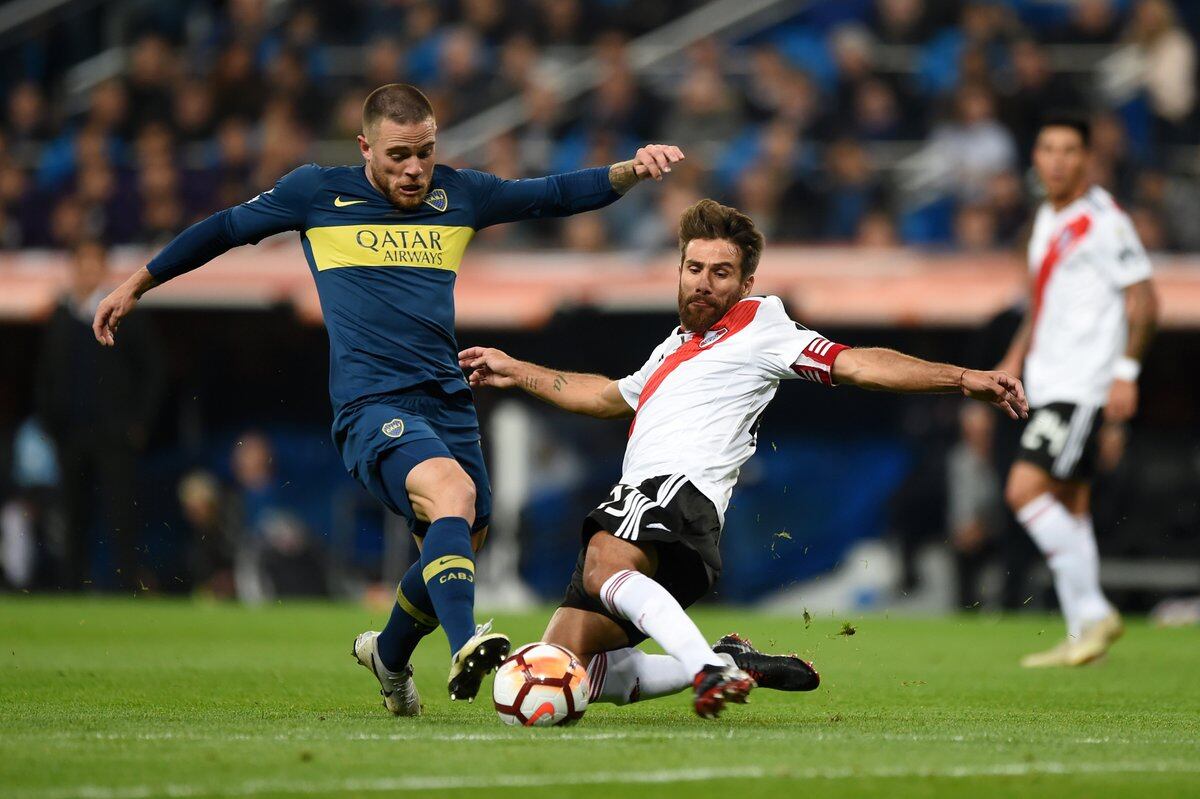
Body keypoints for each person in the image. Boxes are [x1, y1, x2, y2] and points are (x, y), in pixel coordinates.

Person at [91, 83, 684, 712]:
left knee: (465, 533)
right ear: (365, 146)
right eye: (399, 155)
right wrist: (137, 283)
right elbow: (225, 229)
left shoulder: (461, 194)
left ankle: (390, 654)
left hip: (447, 402)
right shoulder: (316, 193)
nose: (414, 169)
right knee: (451, 497)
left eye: (425, 153)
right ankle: (467, 642)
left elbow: (553, 195)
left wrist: (627, 171)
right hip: (372, 404)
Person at [460, 199, 1027, 718]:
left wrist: (961, 379)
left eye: (721, 273)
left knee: (604, 562)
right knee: (572, 657)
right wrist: (516, 370)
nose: (704, 283)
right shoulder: (672, 347)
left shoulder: (762, 325)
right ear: (679, 270)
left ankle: (705, 670)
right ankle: (726, 659)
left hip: (674, 494)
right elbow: (607, 396)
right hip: (657, 511)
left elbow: (856, 363)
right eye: (694, 269)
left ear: (746, 281)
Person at [996, 115, 1158, 668]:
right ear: (1036, 159)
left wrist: (1126, 373)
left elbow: (1145, 299)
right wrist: (1014, 360)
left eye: (1070, 150)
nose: (1058, 160)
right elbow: (1042, 304)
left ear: (1087, 159)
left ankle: (1092, 611)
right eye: (1048, 149)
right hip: (1049, 379)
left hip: (1082, 385)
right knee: (1071, 504)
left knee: (1024, 491)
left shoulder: (1105, 220)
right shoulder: (1046, 216)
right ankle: (1081, 638)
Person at [36, 240, 164, 591]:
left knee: (121, 516)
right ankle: (71, 589)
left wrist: (138, 423)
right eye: (83, 264)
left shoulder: (126, 313)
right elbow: (45, 376)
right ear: (73, 268)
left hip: (114, 434)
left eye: (95, 264)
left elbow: (153, 372)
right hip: (71, 433)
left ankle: (126, 589)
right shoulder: (60, 316)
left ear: (104, 269)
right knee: (73, 515)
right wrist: (50, 423)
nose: (88, 271)